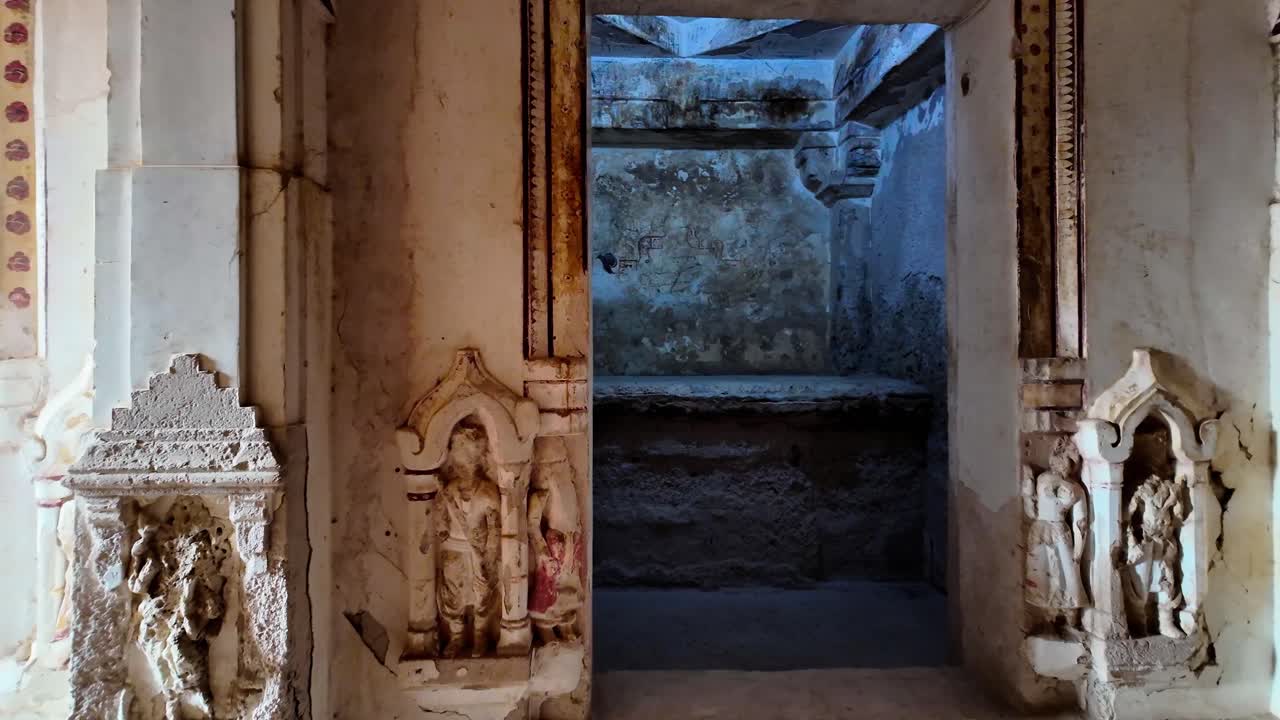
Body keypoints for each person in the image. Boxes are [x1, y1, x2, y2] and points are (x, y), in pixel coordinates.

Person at [436, 424, 502, 658]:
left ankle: (480, 637)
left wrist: (489, 554)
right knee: (454, 594)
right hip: (454, 550)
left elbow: (495, 528)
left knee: (482, 595)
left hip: (479, 552)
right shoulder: (451, 489)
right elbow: (442, 520)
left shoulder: (487, 492)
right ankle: (456, 637)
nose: (462, 463)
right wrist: (442, 525)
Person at [1023, 439, 1089, 631]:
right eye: (1067, 457)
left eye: (1072, 459)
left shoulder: (1076, 489)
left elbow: (1080, 524)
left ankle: (1070, 615)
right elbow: (1032, 511)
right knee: (1042, 573)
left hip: (1060, 531)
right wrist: (1027, 490)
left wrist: (1078, 552)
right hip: (1041, 531)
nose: (1067, 463)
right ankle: (1050, 616)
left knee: (1067, 573)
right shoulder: (1043, 479)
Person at [1124, 473, 1189, 638]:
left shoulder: (1169, 491)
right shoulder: (1142, 494)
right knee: (1142, 585)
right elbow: (1128, 515)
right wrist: (1132, 535)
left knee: (1167, 580)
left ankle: (1166, 623)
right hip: (1145, 541)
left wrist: (1174, 502)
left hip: (1164, 541)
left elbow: (1179, 515)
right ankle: (1139, 623)